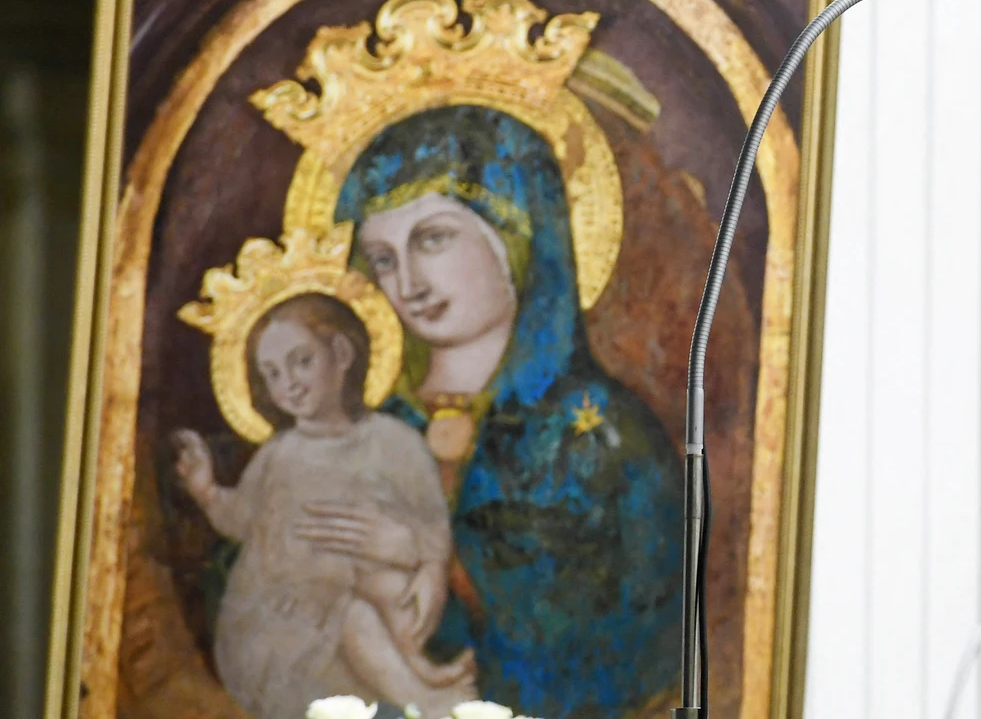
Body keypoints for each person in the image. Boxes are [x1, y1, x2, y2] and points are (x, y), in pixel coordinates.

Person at [301, 104, 683, 719]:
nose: (409, 283)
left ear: (517, 237)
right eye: (383, 257)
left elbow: (629, 639)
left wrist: (438, 557)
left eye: (433, 239)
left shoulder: (605, 435)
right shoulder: (375, 428)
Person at [173, 293, 477, 719]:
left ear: (341, 353)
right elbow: (243, 520)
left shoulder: (396, 443)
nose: (289, 384)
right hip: (281, 623)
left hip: (367, 604)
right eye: (272, 374)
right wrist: (207, 491)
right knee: (351, 609)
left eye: (301, 362)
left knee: (392, 590)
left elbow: (431, 526)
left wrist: (429, 568)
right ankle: (422, 698)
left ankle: (417, 672)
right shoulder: (280, 454)